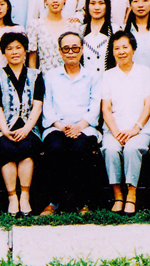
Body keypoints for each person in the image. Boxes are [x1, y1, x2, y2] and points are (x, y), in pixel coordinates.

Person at [40, 32, 102, 215]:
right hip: (57, 127)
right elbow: (47, 106)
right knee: (55, 149)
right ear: (60, 51)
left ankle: (82, 203)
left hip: (85, 127)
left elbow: (95, 107)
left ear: (82, 50)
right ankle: (53, 202)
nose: (71, 52)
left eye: (75, 48)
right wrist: (61, 127)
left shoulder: (92, 76)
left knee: (79, 149)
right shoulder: (51, 76)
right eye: (66, 48)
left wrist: (79, 126)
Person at [0, 32, 44, 217]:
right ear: (3, 52)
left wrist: (27, 129)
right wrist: (5, 131)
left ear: (25, 51)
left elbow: (37, 105)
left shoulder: (36, 75)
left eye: (18, 47)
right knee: (6, 148)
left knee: (27, 147)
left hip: (29, 127)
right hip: (2, 128)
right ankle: (12, 197)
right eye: (9, 48)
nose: (14, 52)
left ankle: (24, 196)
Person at [101, 30, 150, 216]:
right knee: (110, 149)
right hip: (114, 129)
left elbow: (149, 104)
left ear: (133, 49)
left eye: (125, 47)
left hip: (140, 129)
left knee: (132, 149)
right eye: (116, 48)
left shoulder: (145, 72)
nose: (121, 51)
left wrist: (135, 129)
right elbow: (106, 108)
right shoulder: (108, 75)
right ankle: (118, 195)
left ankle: (131, 195)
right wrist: (116, 132)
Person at [27, 0, 84, 74]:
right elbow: (32, 60)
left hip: (69, 77)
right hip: (45, 77)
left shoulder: (73, 26)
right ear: (45, 0)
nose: (55, 0)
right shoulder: (36, 25)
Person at [81, 0, 113, 74]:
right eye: (92, 3)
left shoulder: (115, 30)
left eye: (101, 3)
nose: (97, 7)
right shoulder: (80, 30)